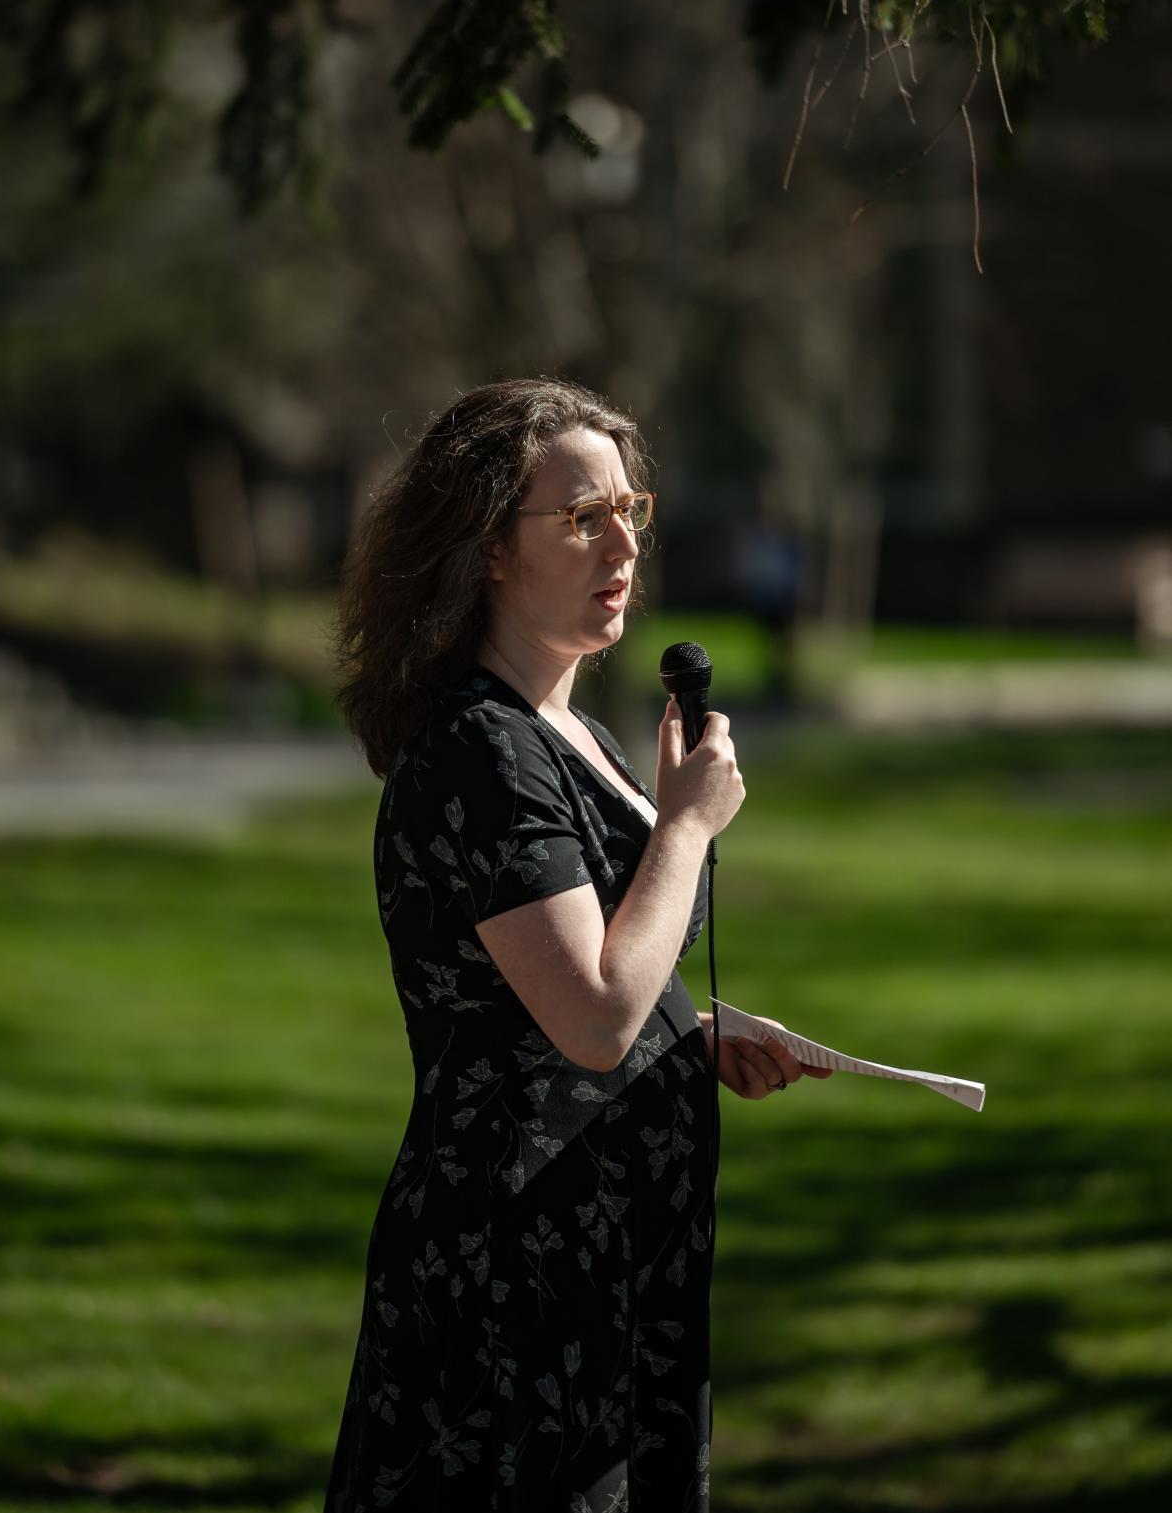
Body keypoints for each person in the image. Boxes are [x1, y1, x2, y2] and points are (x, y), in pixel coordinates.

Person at [322, 378, 829, 1513]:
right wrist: (688, 825)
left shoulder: (575, 734)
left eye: (631, 509)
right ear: (489, 547)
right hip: (515, 1278)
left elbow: (574, 993)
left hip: (612, 1263)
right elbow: (594, 1013)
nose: (623, 543)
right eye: (581, 515)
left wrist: (687, 1033)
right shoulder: (479, 750)